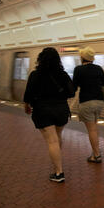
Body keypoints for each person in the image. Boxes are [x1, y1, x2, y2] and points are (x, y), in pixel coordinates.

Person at [23, 48, 75, 183]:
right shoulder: (63, 74)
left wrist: (27, 106)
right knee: (57, 138)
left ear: (41, 59)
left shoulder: (35, 75)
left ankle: (59, 172)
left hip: (43, 110)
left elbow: (28, 95)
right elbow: (71, 93)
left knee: (52, 141)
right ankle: (56, 165)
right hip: (61, 110)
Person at [73, 47, 104, 163]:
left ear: (82, 57)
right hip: (99, 102)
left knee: (92, 130)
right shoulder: (98, 68)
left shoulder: (78, 69)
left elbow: (74, 87)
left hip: (86, 102)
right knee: (94, 127)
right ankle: (96, 152)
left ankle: (96, 155)